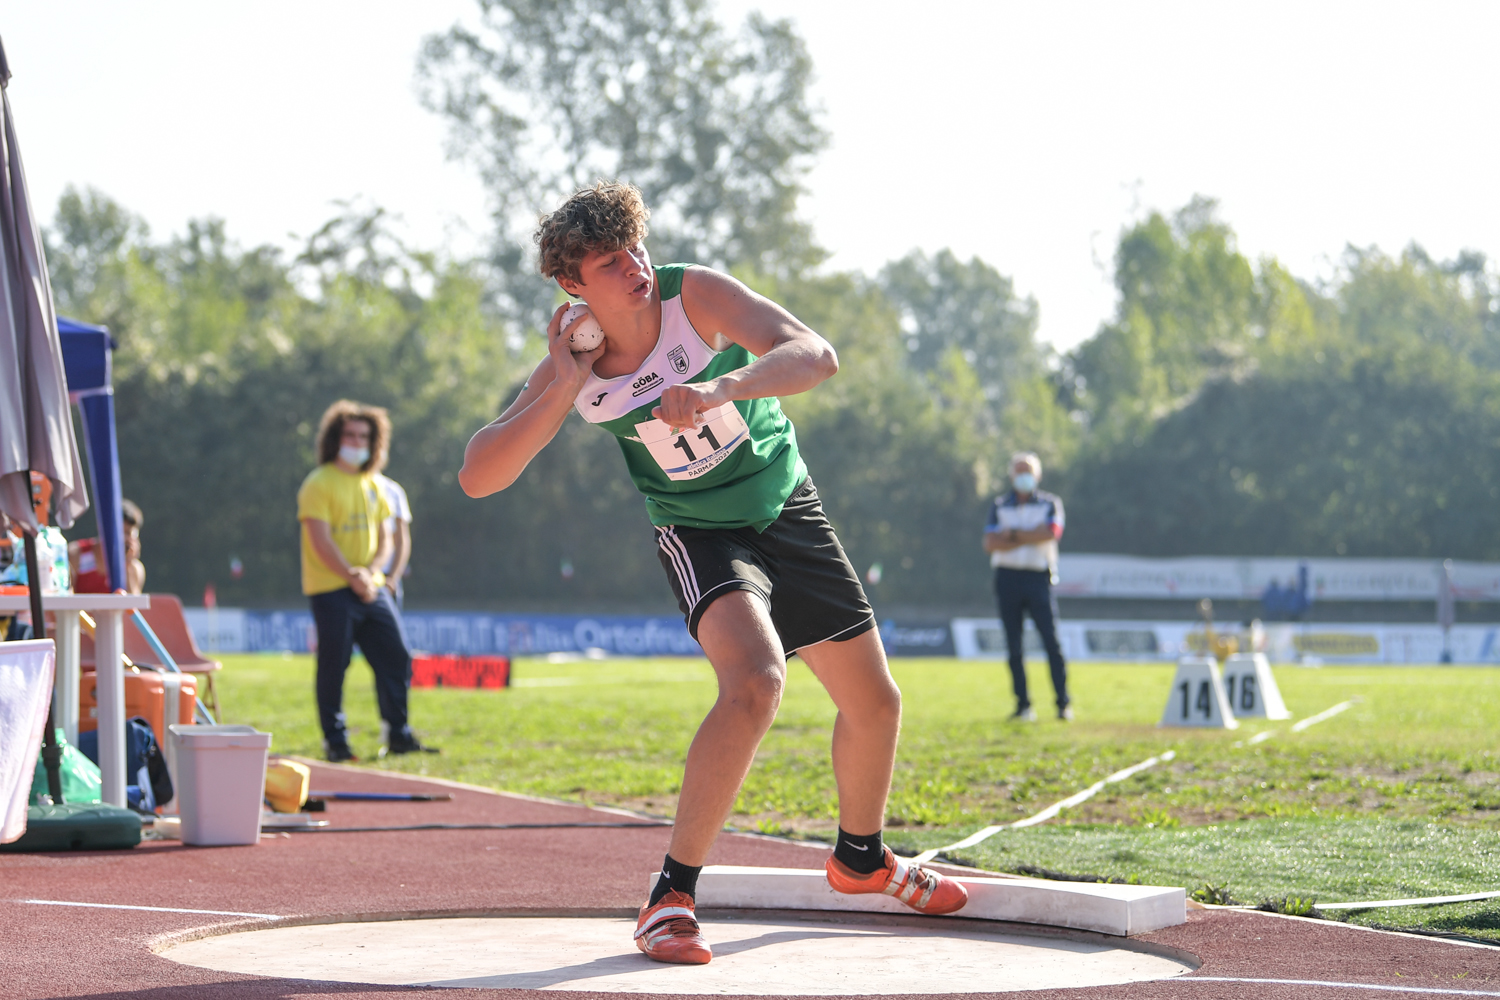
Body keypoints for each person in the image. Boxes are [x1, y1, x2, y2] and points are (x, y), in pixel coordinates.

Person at [459, 182, 966, 966]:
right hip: (698, 532)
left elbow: (816, 354)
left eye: (635, 247)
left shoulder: (694, 295)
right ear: (571, 284)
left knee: (876, 703)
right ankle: (670, 896)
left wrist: (722, 386)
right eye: (608, 262)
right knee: (756, 681)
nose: (633, 267)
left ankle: (861, 858)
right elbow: (479, 476)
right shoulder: (576, 361)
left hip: (786, 505)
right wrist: (563, 384)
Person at [298, 400, 435, 762]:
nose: (357, 442)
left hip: (371, 588)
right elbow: (320, 540)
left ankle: (398, 734)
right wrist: (351, 574)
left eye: (364, 437)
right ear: (334, 438)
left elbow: (385, 538)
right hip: (331, 588)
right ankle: (336, 741)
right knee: (334, 665)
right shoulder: (318, 483)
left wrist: (372, 574)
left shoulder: (376, 485)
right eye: (350, 435)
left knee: (397, 655)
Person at [983, 452, 1070, 721]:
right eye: (1019, 471)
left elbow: (1051, 533)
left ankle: (1062, 703)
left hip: (1038, 578)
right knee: (1014, 646)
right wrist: (1031, 535)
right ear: (1011, 475)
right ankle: (1023, 705)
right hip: (1007, 578)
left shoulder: (1050, 503)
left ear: (1037, 475)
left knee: (1051, 642)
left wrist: (1010, 535)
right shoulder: (999, 505)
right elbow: (990, 543)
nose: (1023, 476)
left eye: (1028, 471)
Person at [70, 498, 146, 594]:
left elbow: (133, 602)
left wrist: (128, 566)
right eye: (119, 532)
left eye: (128, 533)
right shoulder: (77, 554)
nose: (122, 538)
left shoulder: (135, 569)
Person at [372, 473, 412, 607]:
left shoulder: (393, 490)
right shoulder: (341, 486)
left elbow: (401, 541)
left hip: (386, 577)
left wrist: (392, 578)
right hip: (353, 576)